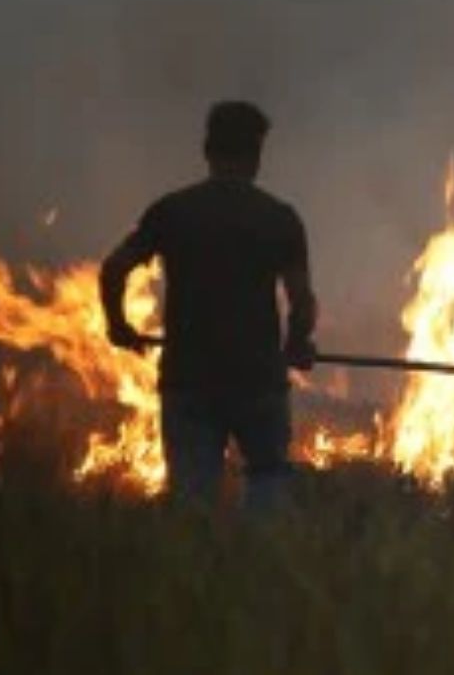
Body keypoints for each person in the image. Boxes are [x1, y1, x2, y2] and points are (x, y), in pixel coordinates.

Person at [99, 101, 317, 512]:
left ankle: (200, 567)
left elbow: (114, 268)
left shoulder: (172, 212)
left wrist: (118, 325)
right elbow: (301, 300)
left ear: (207, 150)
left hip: (190, 378)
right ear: (256, 156)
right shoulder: (279, 219)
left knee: (192, 500)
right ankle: (258, 566)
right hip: (257, 379)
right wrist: (299, 341)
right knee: (268, 480)